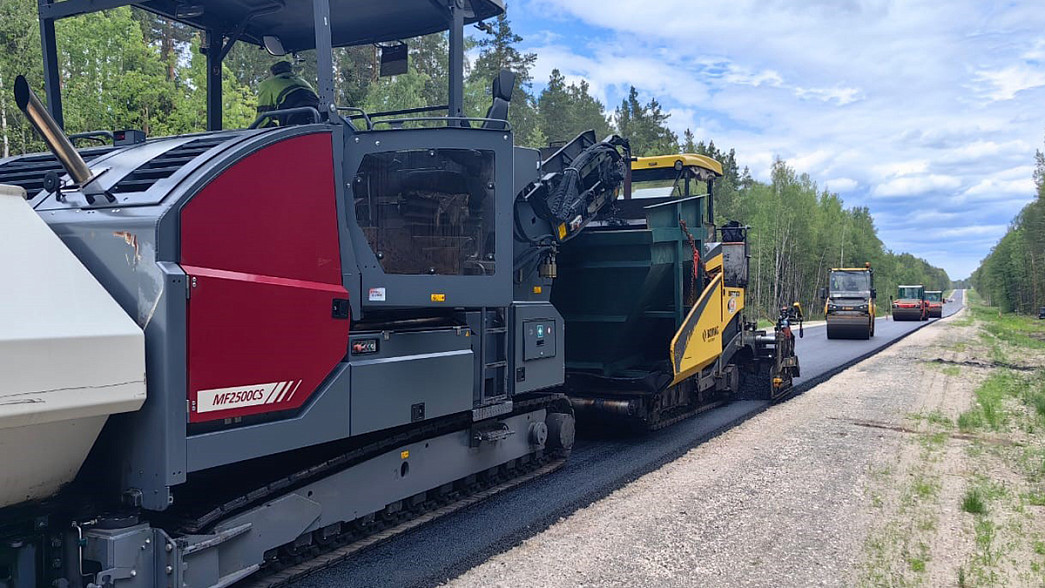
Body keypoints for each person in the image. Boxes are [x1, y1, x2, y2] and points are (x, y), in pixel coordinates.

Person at [256, 61, 320, 126]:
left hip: (295, 117)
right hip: (318, 115)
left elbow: (263, 113)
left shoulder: (267, 84)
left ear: (272, 73)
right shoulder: (303, 81)